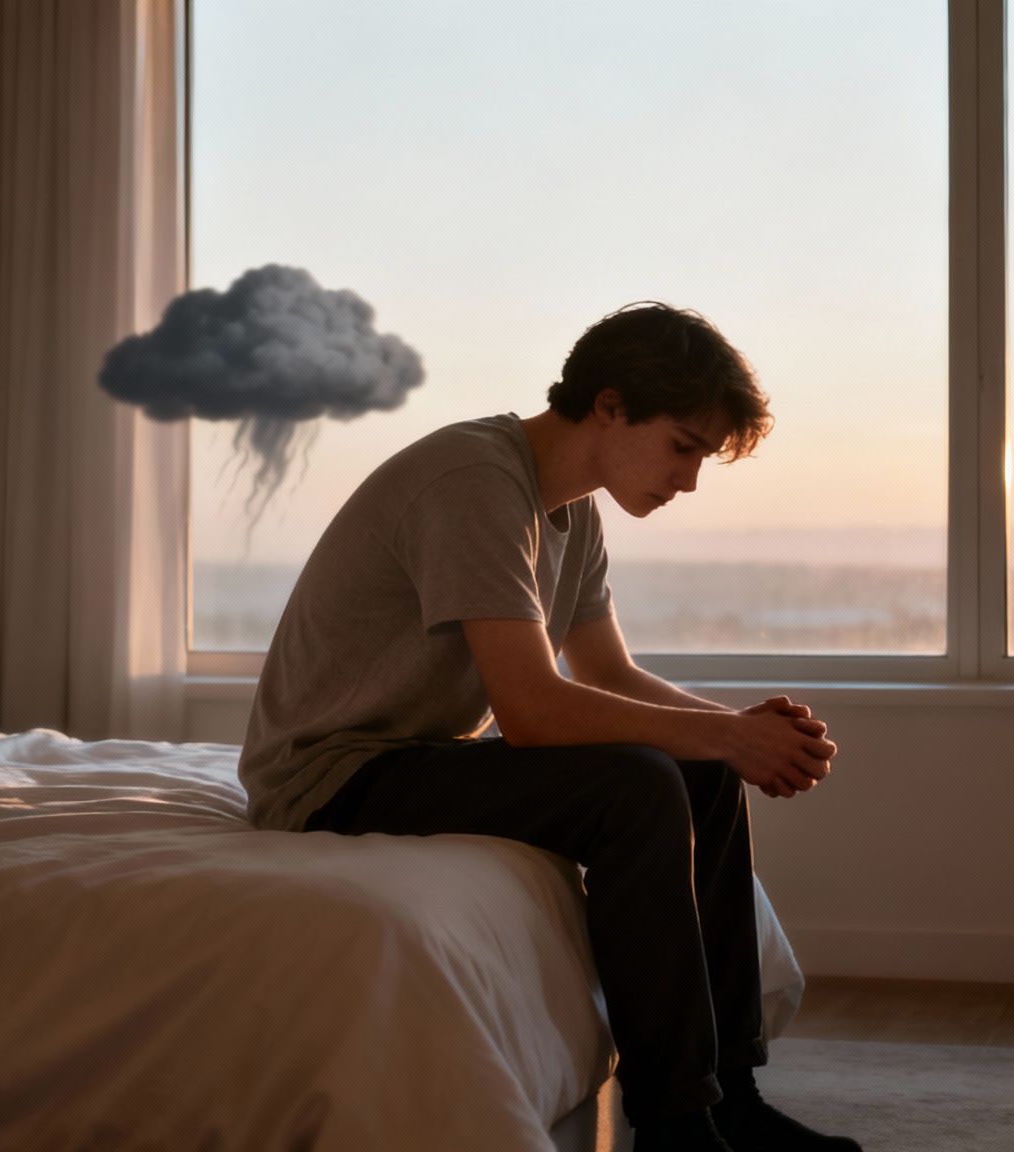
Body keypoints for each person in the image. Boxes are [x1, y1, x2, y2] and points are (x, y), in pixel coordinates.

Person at [239, 302, 856, 1152]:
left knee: (701, 772)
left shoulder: (574, 512)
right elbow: (533, 711)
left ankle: (729, 1101)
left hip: (416, 754)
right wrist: (730, 736)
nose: (688, 480)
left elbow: (608, 674)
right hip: (329, 774)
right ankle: (675, 1127)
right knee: (640, 782)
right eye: (682, 446)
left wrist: (740, 733)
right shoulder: (472, 480)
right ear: (609, 405)